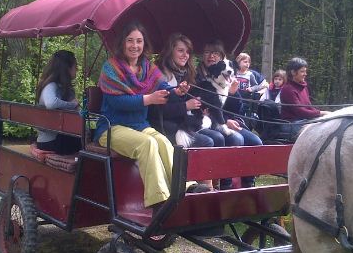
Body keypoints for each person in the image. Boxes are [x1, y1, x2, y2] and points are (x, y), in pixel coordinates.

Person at [94, 22, 189, 207]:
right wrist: (148, 99)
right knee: (148, 144)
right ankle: (159, 200)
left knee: (162, 141)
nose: (135, 46)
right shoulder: (111, 67)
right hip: (112, 128)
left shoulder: (148, 68)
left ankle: (185, 188)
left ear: (144, 44)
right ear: (122, 42)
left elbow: (164, 89)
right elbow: (117, 102)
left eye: (139, 41)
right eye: (130, 41)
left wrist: (177, 92)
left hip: (139, 126)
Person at [151, 33, 222, 191]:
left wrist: (200, 107)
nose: (185, 55)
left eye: (187, 52)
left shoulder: (185, 73)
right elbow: (158, 111)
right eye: (180, 51)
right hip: (164, 125)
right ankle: (204, 189)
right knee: (208, 141)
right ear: (170, 51)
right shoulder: (159, 75)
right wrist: (186, 106)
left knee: (218, 137)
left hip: (182, 122)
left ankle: (217, 187)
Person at [197, 40, 263, 189]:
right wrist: (226, 122)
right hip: (212, 121)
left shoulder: (228, 74)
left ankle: (248, 185)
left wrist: (233, 93)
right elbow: (209, 108)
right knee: (236, 138)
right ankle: (226, 186)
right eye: (207, 52)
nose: (211, 56)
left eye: (216, 53)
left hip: (231, 120)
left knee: (256, 142)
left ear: (222, 57)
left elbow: (237, 108)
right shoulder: (198, 76)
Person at [35, 50, 82, 155]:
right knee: (88, 145)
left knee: (87, 138)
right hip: (50, 141)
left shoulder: (64, 89)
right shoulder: (51, 86)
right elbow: (51, 104)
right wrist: (72, 104)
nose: (77, 69)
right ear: (67, 68)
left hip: (61, 137)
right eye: (75, 66)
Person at [278, 57, 330, 138]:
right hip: (291, 124)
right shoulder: (288, 89)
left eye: (305, 71)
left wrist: (321, 114)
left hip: (303, 121)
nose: (305, 74)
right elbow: (300, 111)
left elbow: (308, 106)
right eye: (302, 71)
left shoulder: (303, 87)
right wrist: (320, 113)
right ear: (293, 72)